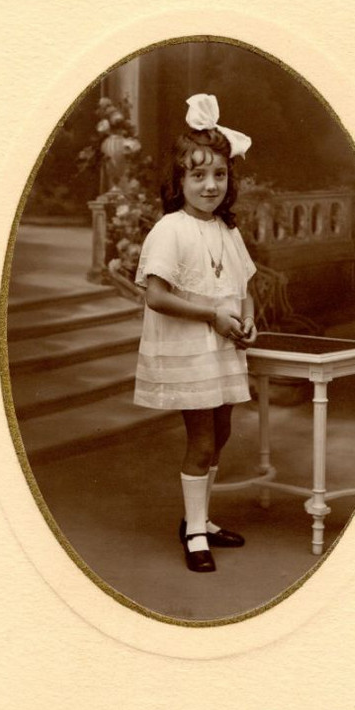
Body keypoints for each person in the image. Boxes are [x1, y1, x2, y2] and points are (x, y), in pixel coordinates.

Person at [134, 94, 257, 572]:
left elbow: (242, 287)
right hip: (189, 348)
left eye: (219, 175)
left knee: (221, 432)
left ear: (230, 179)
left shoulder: (228, 230)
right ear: (179, 180)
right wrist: (212, 315)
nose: (210, 186)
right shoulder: (170, 230)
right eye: (198, 175)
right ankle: (194, 535)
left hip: (221, 346)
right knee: (202, 440)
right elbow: (156, 296)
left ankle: (200, 521)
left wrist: (248, 320)